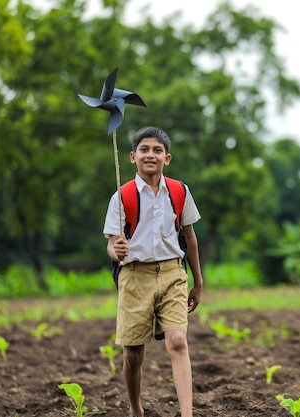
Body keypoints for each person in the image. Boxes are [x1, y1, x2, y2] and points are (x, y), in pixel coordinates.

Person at [103, 126, 203, 417]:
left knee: (177, 341)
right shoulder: (121, 197)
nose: (151, 155)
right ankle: (136, 409)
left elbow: (190, 237)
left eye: (157, 150)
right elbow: (111, 243)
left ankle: (187, 414)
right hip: (135, 276)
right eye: (144, 150)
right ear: (133, 157)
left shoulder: (179, 191)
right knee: (133, 354)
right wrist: (116, 250)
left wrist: (198, 281)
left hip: (173, 272)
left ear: (167, 158)